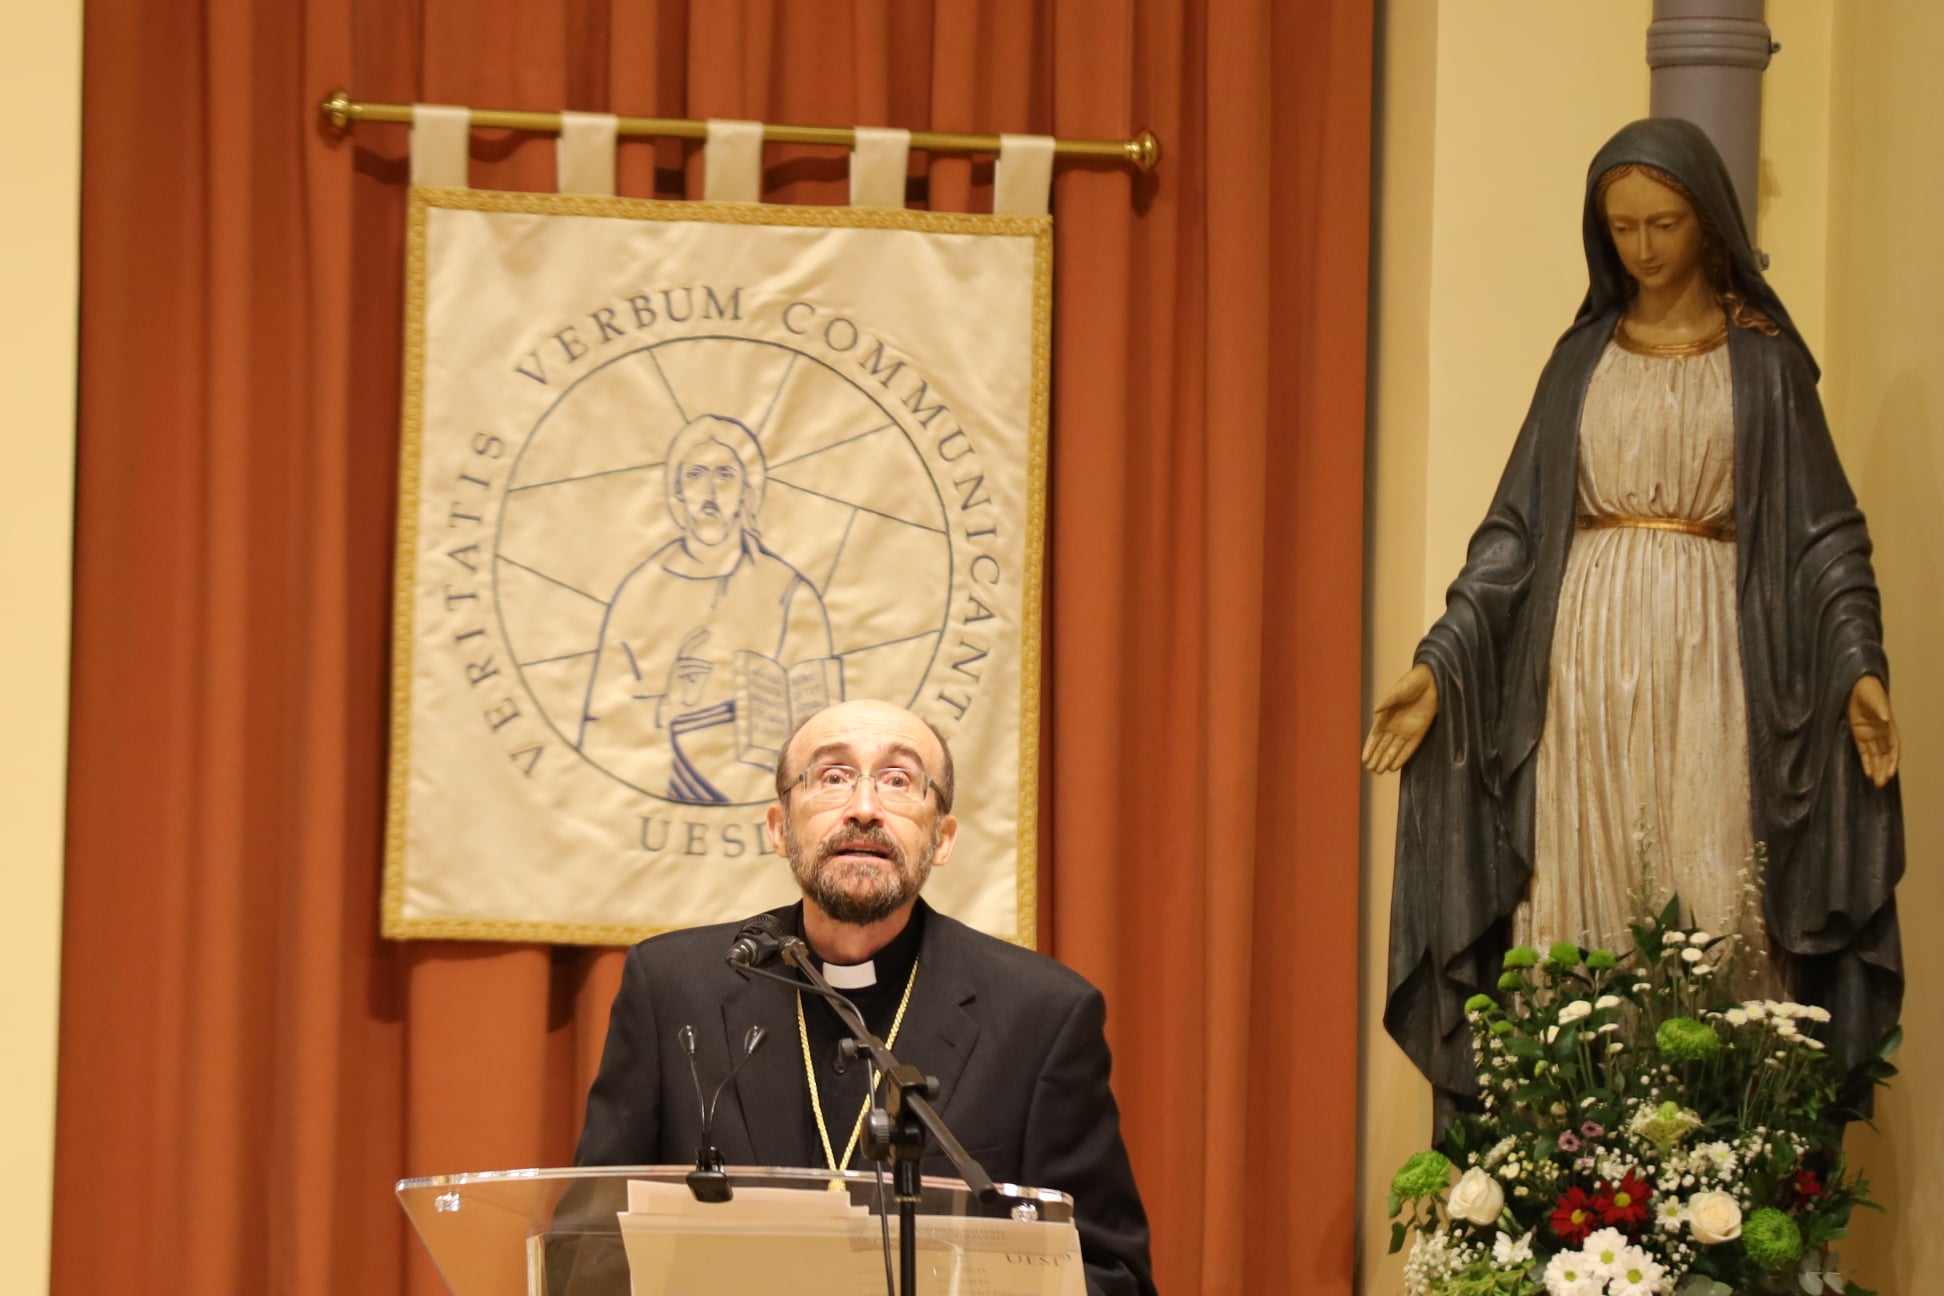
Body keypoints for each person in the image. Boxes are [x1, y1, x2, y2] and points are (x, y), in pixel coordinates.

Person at [1364, 118, 1904, 1104]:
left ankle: (1721, 1145)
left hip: (1716, 659)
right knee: (1584, 896)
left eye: (1664, 224)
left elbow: (1825, 538)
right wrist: (1442, 660)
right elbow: (1514, 537)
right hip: (1582, 662)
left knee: (1715, 888)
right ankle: (1573, 1140)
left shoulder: (1766, 368)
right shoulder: (1581, 362)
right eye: (1623, 229)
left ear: (1710, 223)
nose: (1645, 249)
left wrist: (1857, 664)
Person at [575, 698, 1158, 1296]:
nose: (864, 807)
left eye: (899, 781)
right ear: (779, 828)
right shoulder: (672, 987)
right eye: (832, 777)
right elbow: (588, 1243)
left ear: (942, 839)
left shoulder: (1042, 1016)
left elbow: (1110, 1274)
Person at [578, 413, 838, 804]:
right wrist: (667, 706)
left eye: (725, 475)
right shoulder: (639, 593)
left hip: (763, 801)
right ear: (677, 493)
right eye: (695, 475)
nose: (710, 493)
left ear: (747, 492)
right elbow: (598, 732)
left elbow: (826, 739)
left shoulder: (789, 593)